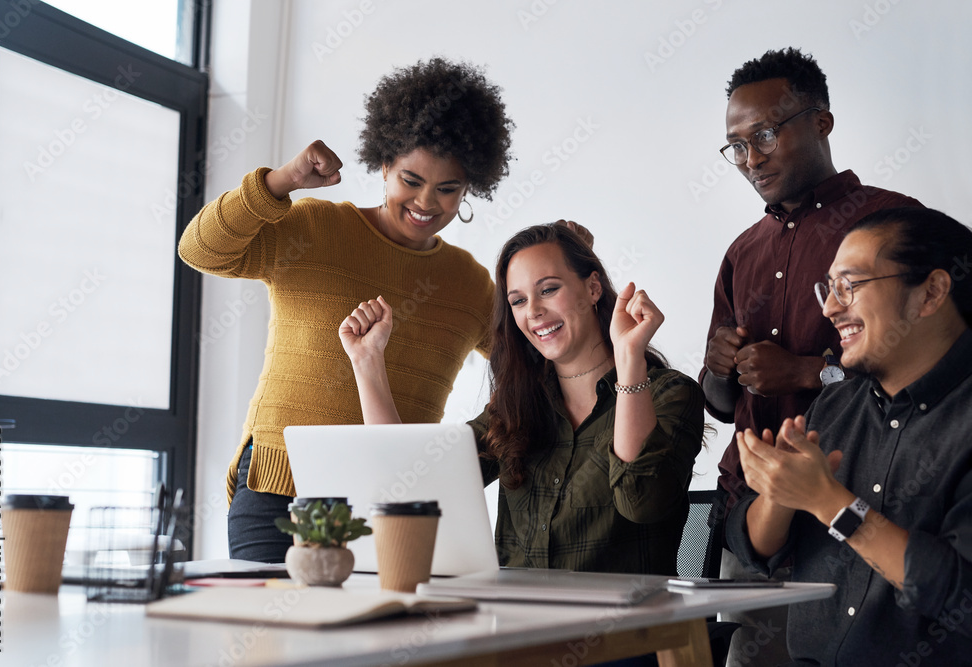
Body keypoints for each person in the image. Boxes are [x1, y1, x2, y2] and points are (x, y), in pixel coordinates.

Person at [178, 58, 514, 562]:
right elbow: (200, 250)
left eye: (448, 189)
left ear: (470, 189)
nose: (427, 202)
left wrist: (569, 268)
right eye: (411, 179)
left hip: (390, 502)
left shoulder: (469, 284)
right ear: (383, 166)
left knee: (372, 637)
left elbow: (533, 362)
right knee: (269, 634)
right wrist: (282, 181)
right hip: (278, 488)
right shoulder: (315, 229)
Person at [699, 47, 921, 665]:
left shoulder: (892, 224)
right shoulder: (742, 251)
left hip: (858, 508)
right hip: (752, 517)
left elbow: (935, 368)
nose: (752, 158)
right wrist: (717, 369)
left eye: (765, 134)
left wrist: (806, 372)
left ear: (821, 121)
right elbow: (721, 406)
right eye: (736, 146)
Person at [341, 223, 704, 575]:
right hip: (518, 626)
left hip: (629, 631)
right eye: (518, 300)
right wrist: (367, 362)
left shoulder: (669, 394)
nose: (532, 312)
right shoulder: (515, 406)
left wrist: (629, 361)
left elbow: (640, 501)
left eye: (548, 290)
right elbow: (409, 483)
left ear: (593, 288)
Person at [729, 207, 972, 665]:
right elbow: (755, 547)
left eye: (850, 285)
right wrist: (780, 494)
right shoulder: (837, 404)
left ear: (932, 292)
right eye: (829, 288)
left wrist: (829, 502)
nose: (829, 307)